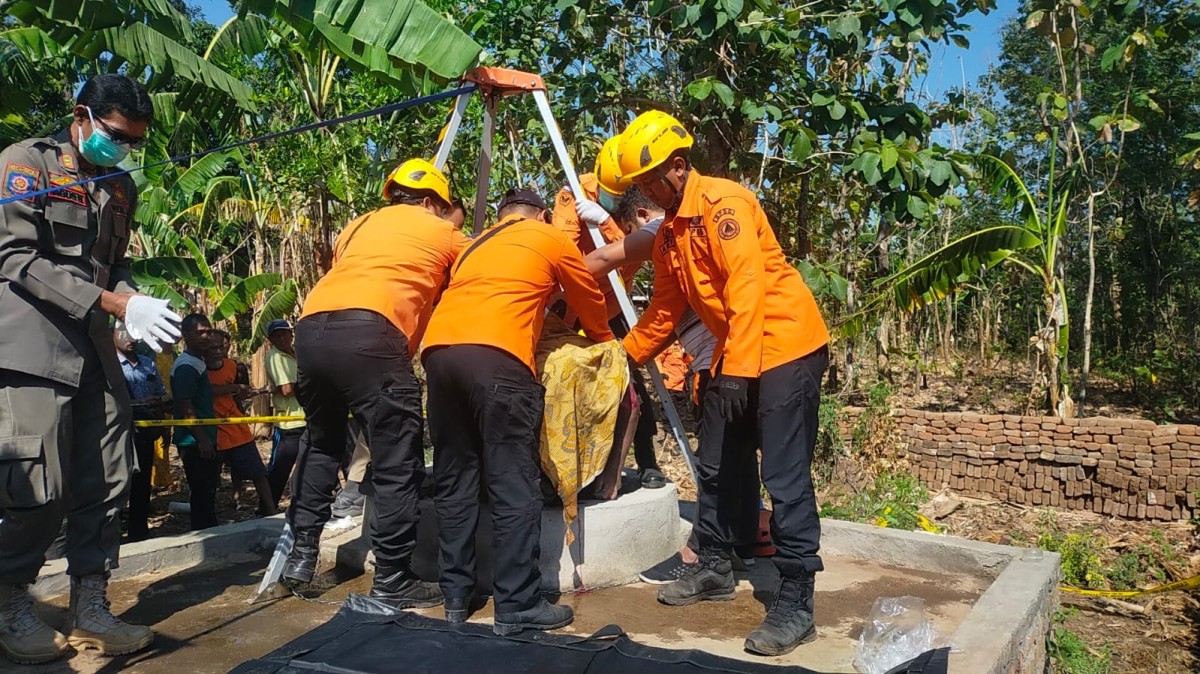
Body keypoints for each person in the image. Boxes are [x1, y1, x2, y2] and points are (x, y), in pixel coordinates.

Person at [616, 110, 831, 656]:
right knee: (716, 462)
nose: (644, 192)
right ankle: (713, 565)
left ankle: (796, 600)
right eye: (639, 185)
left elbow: (747, 285)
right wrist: (622, 357)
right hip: (738, 353)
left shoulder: (724, 204)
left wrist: (735, 371)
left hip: (785, 347)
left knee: (784, 476)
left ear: (679, 167)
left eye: (647, 182)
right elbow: (666, 310)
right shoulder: (668, 236)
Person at [0, 74, 172, 664]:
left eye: (133, 143)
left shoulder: (119, 185)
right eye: (116, 136)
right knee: (36, 484)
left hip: (98, 350)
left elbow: (112, 267)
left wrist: (136, 305)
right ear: (81, 115)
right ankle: (10, 602)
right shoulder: (26, 164)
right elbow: (15, 257)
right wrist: (115, 303)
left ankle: (91, 607)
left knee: (107, 478)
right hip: (32, 350)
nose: (123, 149)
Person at [422, 188, 614, 635]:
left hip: (440, 356)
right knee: (512, 482)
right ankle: (516, 603)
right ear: (542, 215)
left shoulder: (473, 244)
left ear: (501, 215)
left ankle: (455, 595)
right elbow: (586, 291)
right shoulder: (548, 237)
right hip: (499, 358)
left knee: (456, 479)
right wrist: (604, 341)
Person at [282, 158, 469, 611]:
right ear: (430, 202)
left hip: (310, 329)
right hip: (371, 332)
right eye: (447, 210)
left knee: (323, 443)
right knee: (395, 459)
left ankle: (301, 556)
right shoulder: (442, 230)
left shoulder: (359, 224)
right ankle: (392, 579)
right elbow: (478, 273)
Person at [583, 186, 761, 584]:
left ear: (644, 215)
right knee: (737, 457)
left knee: (714, 462)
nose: (633, 238)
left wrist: (554, 279)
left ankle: (700, 552)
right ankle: (741, 546)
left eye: (631, 228)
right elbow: (666, 313)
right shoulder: (678, 249)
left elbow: (602, 259)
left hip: (722, 360)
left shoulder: (662, 230)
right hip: (730, 357)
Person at [552, 137, 665, 490]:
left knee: (630, 377)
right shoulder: (574, 194)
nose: (613, 199)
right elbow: (563, 251)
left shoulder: (629, 205)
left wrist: (605, 223)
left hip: (612, 301)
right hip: (572, 304)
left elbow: (632, 253)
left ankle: (647, 460)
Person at [207, 331, 275, 516]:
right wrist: (234, 388)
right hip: (213, 430)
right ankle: (210, 517)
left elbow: (239, 395)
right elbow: (205, 390)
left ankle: (270, 510)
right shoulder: (197, 369)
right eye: (214, 347)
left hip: (236, 426)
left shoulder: (231, 366)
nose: (219, 351)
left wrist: (246, 393)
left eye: (223, 346)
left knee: (257, 471)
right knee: (210, 479)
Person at [114, 322, 170, 543]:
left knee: (141, 483)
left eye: (136, 335)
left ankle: (139, 532)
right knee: (118, 484)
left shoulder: (147, 363)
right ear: (113, 333)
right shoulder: (109, 366)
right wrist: (138, 404)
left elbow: (159, 394)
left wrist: (163, 424)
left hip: (146, 434)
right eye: (126, 334)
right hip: (119, 435)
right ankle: (113, 533)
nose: (132, 339)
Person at [171, 314, 222, 531]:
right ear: (185, 336)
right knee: (202, 493)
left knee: (208, 492)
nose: (205, 336)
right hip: (193, 441)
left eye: (208, 331)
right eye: (198, 332)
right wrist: (202, 440)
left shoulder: (197, 362)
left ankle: (210, 533)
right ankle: (204, 537)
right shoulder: (186, 366)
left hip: (204, 437)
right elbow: (185, 405)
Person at [264, 319, 305, 506]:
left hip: (304, 418)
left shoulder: (296, 353)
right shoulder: (275, 357)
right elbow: (286, 389)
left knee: (309, 464)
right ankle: (267, 506)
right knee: (280, 468)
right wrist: (313, 384)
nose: (281, 338)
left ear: (291, 334)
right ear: (270, 339)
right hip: (288, 422)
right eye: (276, 336)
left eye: (284, 334)